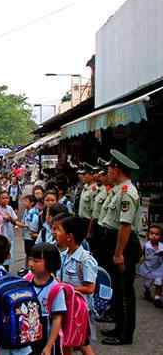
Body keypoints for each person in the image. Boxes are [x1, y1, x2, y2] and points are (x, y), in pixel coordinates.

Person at [98, 150, 141, 346]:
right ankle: (118, 326)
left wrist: (118, 254)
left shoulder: (127, 193)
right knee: (117, 286)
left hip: (123, 244)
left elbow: (125, 226)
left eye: (110, 168)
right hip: (115, 241)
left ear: (117, 170)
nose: (108, 172)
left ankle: (125, 334)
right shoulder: (119, 190)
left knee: (125, 291)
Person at [53, 216, 97, 355]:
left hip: (80, 309)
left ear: (69, 237)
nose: (55, 233)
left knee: (82, 342)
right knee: (66, 340)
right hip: (66, 306)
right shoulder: (63, 255)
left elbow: (90, 288)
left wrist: (65, 288)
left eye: (59, 230)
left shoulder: (85, 260)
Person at [28, 243, 66, 355]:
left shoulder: (55, 288)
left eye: (36, 261)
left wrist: (49, 346)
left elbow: (57, 319)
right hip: (29, 336)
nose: (30, 264)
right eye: (30, 260)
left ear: (50, 263)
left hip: (47, 339)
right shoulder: (26, 281)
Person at [138, 225, 163, 307]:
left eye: (157, 234)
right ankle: (147, 291)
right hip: (148, 268)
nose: (154, 236)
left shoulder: (162, 247)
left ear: (160, 236)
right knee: (147, 284)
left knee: (158, 282)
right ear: (148, 235)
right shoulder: (146, 245)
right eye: (152, 233)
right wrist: (140, 261)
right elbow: (142, 255)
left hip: (159, 268)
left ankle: (157, 298)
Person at [0, 192, 18, 269]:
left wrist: (10, 218)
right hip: (1, 234)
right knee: (0, 254)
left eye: (7, 198)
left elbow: (15, 220)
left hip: (9, 234)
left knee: (8, 253)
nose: (5, 200)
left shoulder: (9, 208)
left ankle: (6, 269)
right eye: (3, 198)